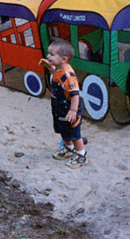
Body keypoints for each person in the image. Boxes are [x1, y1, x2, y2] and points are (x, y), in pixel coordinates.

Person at [39, 38, 88, 169]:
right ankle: (68, 147)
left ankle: (81, 155)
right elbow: (56, 75)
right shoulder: (59, 69)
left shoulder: (68, 75)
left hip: (69, 108)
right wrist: (49, 67)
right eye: (48, 53)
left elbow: (75, 93)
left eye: (52, 55)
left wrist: (73, 110)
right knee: (63, 129)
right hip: (59, 107)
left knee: (74, 134)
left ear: (64, 59)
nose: (48, 56)